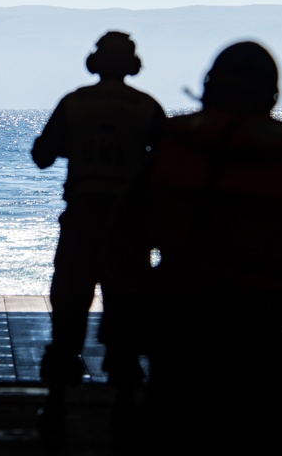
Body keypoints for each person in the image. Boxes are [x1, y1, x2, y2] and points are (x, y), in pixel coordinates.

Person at [141, 41, 282, 454]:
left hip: (181, 344)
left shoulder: (162, 163)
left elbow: (123, 242)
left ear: (207, 90)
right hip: (262, 347)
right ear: (271, 98)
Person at [31, 30, 166, 435]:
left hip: (82, 221)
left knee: (69, 313)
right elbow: (165, 164)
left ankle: (56, 406)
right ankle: (124, 407)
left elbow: (42, 156)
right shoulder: (147, 108)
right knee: (126, 313)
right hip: (129, 227)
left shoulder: (74, 104)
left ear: (94, 62)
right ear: (132, 65)